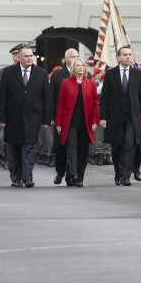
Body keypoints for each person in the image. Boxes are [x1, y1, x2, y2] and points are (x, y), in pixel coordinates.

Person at [0, 45, 52, 188]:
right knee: (14, 149)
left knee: (29, 148)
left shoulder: (41, 73)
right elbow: (1, 97)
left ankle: (28, 178)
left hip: (33, 117)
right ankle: (16, 177)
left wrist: (46, 119)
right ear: (18, 57)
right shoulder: (8, 72)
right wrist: (0, 118)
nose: (30, 58)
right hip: (12, 118)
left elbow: (47, 98)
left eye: (31, 55)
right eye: (26, 56)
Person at [99, 46, 141, 186]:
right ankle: (118, 172)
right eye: (125, 55)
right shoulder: (111, 74)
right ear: (118, 57)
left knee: (129, 145)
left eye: (130, 55)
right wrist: (103, 117)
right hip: (115, 116)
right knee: (116, 148)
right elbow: (105, 97)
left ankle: (126, 176)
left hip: (132, 117)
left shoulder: (138, 74)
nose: (128, 57)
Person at [55, 58, 99, 187]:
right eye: (78, 66)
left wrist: (95, 120)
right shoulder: (66, 83)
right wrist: (58, 123)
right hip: (69, 122)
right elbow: (60, 103)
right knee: (71, 148)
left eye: (82, 66)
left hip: (85, 122)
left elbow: (96, 103)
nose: (80, 67)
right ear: (73, 69)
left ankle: (79, 177)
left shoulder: (90, 83)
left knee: (83, 150)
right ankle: (73, 175)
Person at [49, 48, 80, 184]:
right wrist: (50, 116)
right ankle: (60, 171)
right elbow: (51, 97)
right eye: (72, 56)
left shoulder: (83, 73)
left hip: (77, 117)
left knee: (74, 147)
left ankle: (70, 174)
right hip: (61, 117)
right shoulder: (57, 75)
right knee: (61, 148)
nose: (75, 59)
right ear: (65, 59)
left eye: (77, 56)